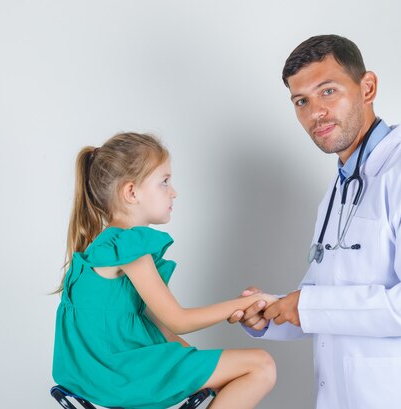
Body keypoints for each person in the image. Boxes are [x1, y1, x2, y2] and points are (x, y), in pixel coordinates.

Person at [228, 35, 401, 409]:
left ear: (368, 87)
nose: (315, 113)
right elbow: (326, 295)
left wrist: (306, 305)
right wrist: (272, 314)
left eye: (328, 91)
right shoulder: (341, 188)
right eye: (301, 101)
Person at [52, 132, 277, 409]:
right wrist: (249, 303)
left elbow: (159, 326)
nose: (174, 191)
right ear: (132, 192)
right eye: (164, 181)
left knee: (236, 372)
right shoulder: (127, 245)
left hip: (98, 373)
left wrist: (203, 366)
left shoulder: (107, 244)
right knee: (261, 366)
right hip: (119, 373)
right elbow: (178, 320)